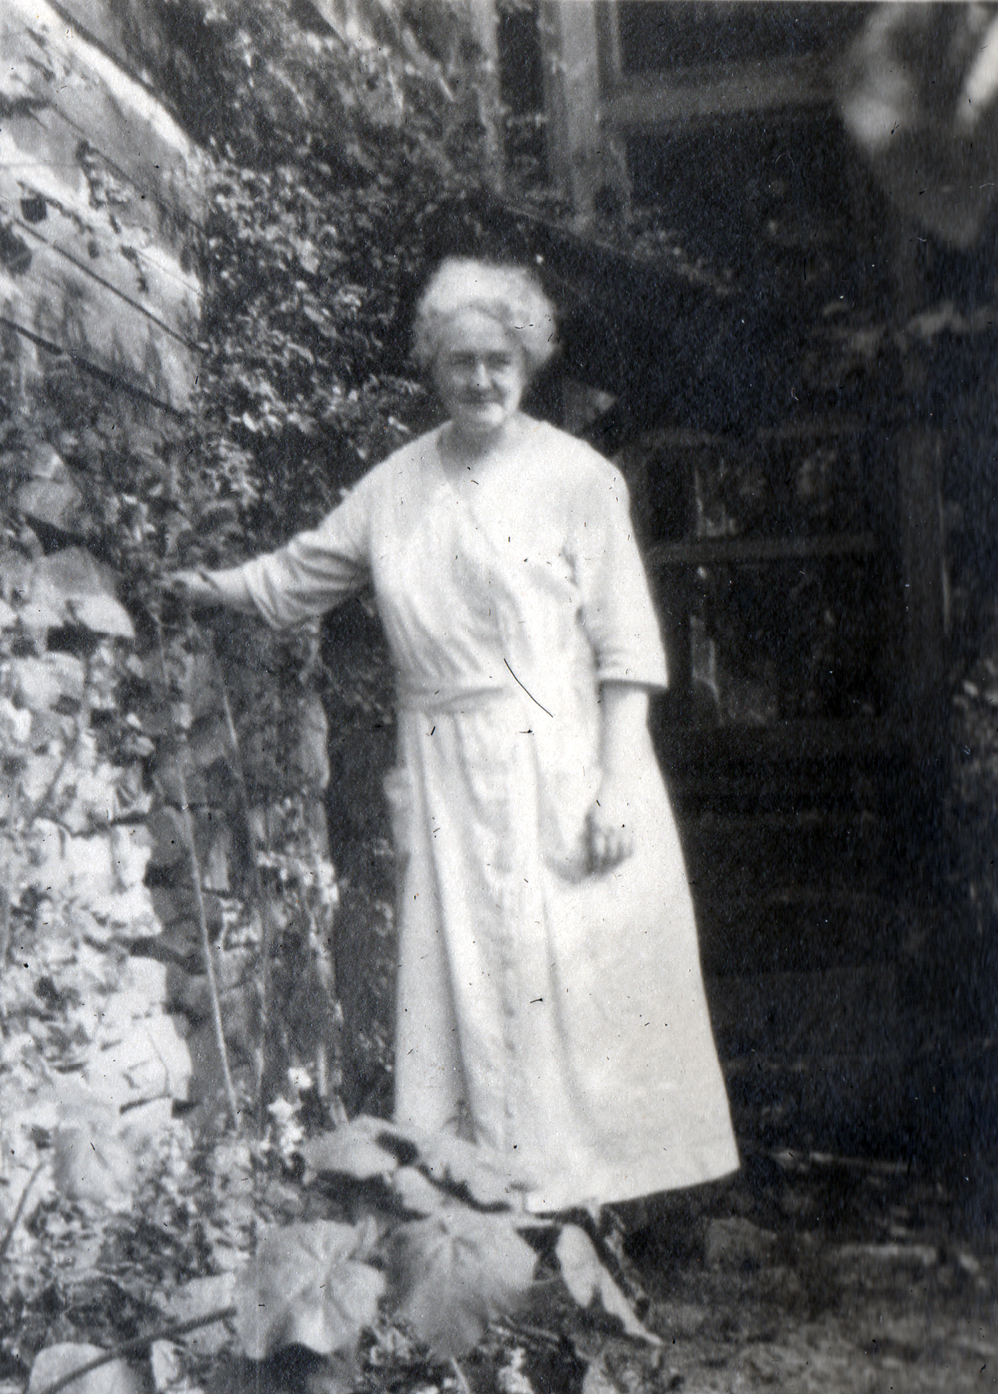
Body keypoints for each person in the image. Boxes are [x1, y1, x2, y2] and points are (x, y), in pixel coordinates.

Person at [171, 257, 739, 1220]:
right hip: (443, 771)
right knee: (462, 991)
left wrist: (615, 784)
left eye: (499, 361)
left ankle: (591, 1215)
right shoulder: (395, 487)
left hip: (562, 760)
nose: (481, 379)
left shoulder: (577, 479)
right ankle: (486, 1219)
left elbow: (627, 648)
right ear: (432, 365)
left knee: (574, 989)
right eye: (461, 361)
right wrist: (207, 587)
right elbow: (303, 573)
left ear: (530, 362)